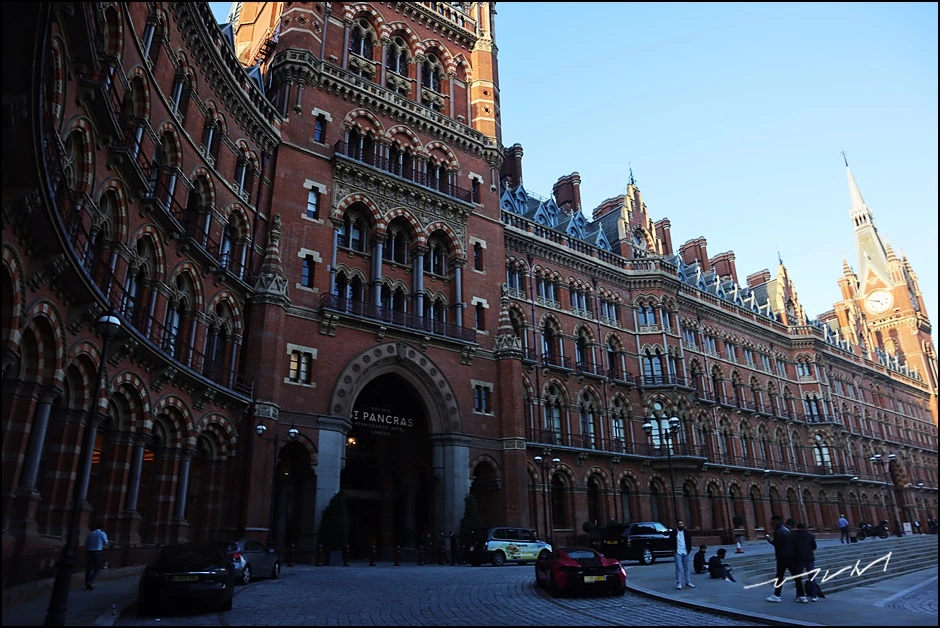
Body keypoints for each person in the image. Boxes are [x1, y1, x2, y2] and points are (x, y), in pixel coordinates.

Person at [764, 514, 805, 603]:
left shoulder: (778, 531)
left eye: (772, 522)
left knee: (779, 577)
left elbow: (778, 544)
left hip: (782, 557)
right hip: (791, 556)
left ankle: (777, 595)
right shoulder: (787, 530)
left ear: (776, 521)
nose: (772, 524)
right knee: (796, 576)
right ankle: (802, 596)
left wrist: (769, 540)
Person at [793, 522, 824, 601]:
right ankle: (814, 595)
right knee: (812, 577)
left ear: (797, 528)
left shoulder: (794, 536)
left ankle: (800, 595)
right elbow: (814, 547)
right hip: (809, 559)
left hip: (799, 559)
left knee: (798, 578)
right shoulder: (810, 535)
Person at [668, 519, 695, 590]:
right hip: (678, 552)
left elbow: (689, 540)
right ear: (677, 525)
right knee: (679, 568)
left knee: (687, 567)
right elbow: (671, 541)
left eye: (682, 524)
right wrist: (673, 549)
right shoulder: (674, 532)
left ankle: (688, 582)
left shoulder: (686, 532)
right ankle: (679, 583)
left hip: (685, 551)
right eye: (679, 524)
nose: (681, 525)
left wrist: (689, 549)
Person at [84, 522, 109, 590]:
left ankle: (86, 582)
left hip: (89, 552)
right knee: (97, 568)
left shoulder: (91, 533)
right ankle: (90, 580)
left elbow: (86, 543)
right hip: (97, 552)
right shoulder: (102, 533)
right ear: (102, 528)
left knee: (88, 568)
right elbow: (106, 543)